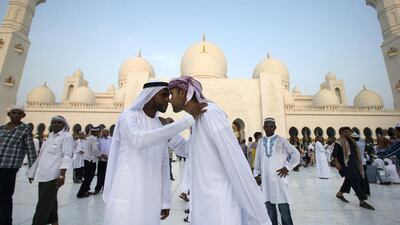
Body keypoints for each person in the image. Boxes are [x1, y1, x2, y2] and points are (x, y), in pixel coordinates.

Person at [168, 76, 271, 225]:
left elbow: (236, 162)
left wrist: (260, 216)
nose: (170, 99)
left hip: (221, 208)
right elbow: (191, 151)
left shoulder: (210, 113)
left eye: (172, 94)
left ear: (183, 93)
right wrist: (168, 133)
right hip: (205, 205)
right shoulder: (196, 119)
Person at [102, 81, 206, 225]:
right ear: (149, 96)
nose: (168, 99)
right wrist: (188, 120)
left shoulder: (160, 125)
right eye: (163, 95)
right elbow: (139, 139)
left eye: (169, 95)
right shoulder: (128, 117)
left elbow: (175, 156)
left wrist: (165, 201)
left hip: (150, 197)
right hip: (127, 192)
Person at [253, 118, 300, 225]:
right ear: (264, 127)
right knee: (269, 209)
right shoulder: (260, 142)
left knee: (284, 208)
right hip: (266, 180)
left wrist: (287, 167)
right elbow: (258, 159)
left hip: (279, 178)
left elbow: (295, 154)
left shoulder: (281, 140)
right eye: (266, 126)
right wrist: (256, 174)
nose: (268, 128)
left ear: (275, 127)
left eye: (271, 126)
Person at [28, 116, 73, 225]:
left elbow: (66, 156)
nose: (56, 124)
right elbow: (41, 156)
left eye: (59, 122)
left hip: (53, 175)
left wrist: (62, 175)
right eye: (54, 122)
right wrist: (32, 173)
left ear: (64, 125)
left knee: (43, 204)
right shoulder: (50, 137)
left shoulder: (66, 137)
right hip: (43, 174)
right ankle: (54, 221)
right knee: (50, 200)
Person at [0, 106, 37, 225]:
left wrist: (32, 171)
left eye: (19, 113)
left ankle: (6, 221)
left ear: (23, 116)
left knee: (5, 196)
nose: (16, 115)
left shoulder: (25, 130)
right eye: (13, 113)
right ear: (9, 114)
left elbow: (30, 150)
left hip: (9, 168)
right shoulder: (1, 129)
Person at [332, 127, 375, 210]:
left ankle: (340, 193)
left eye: (349, 131)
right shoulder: (339, 141)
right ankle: (362, 200)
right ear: (342, 132)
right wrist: (337, 163)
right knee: (354, 180)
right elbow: (335, 154)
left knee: (350, 179)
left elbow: (355, 152)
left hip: (353, 163)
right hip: (345, 164)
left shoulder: (352, 141)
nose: (348, 133)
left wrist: (358, 162)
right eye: (346, 131)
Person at [77, 127, 100, 197]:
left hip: (87, 159)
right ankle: (80, 193)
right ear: (95, 132)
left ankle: (86, 190)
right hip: (91, 160)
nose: (99, 133)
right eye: (98, 132)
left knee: (88, 177)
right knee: (88, 177)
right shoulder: (93, 138)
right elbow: (95, 149)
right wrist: (100, 155)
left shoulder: (89, 137)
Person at [94, 128, 112, 194]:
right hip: (101, 160)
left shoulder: (111, 139)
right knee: (100, 175)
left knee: (107, 175)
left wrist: (109, 157)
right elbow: (97, 149)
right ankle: (97, 188)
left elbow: (113, 150)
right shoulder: (100, 140)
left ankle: (105, 188)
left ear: (108, 133)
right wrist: (100, 155)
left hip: (109, 160)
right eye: (103, 132)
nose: (104, 133)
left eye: (105, 132)